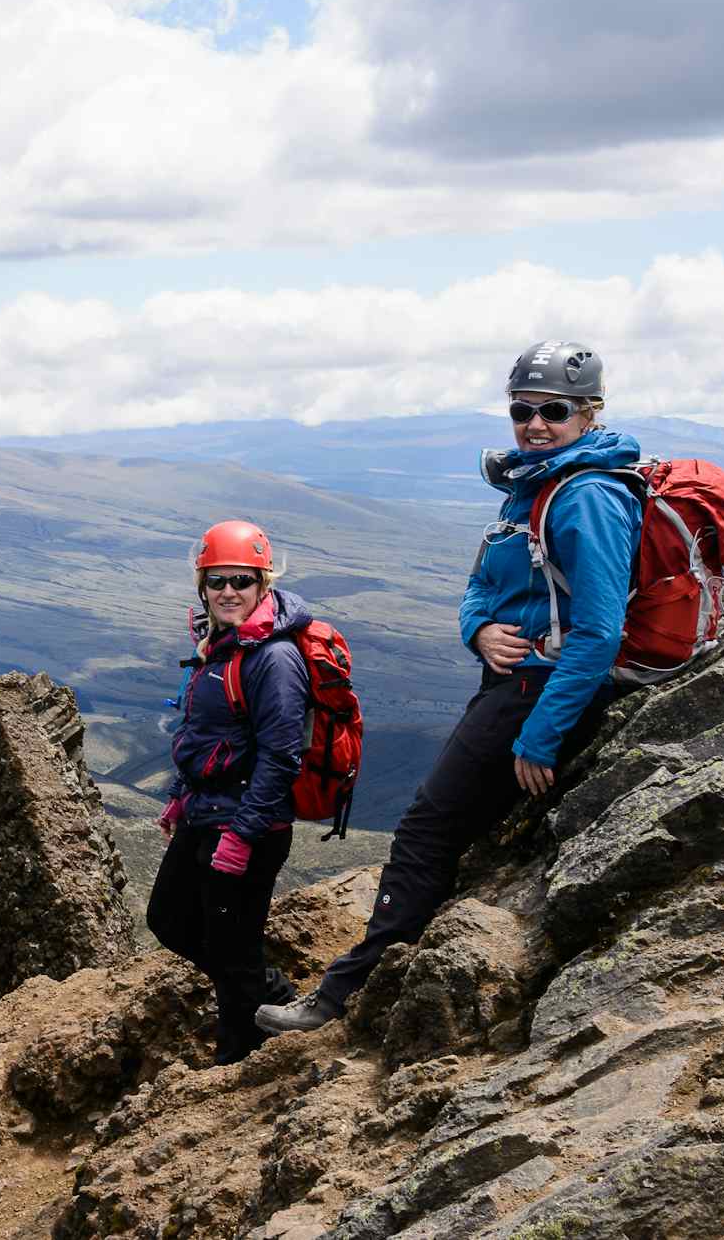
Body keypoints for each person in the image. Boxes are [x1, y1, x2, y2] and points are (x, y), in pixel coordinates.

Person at [258, 340, 640, 1036]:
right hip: (511, 677)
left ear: (590, 413)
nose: (534, 423)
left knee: (427, 829)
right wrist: (478, 632)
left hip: (539, 691)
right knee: (446, 825)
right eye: (522, 410)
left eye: (553, 410)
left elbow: (599, 632)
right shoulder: (535, 483)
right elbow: (480, 587)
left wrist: (542, 734)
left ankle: (341, 995)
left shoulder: (587, 496)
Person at [145, 521, 307, 1064]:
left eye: (241, 580)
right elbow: (205, 735)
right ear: (203, 588)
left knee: (231, 947)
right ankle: (270, 995)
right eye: (217, 582)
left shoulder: (274, 659)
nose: (229, 592)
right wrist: (179, 795)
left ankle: (238, 1059)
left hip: (247, 826)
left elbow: (282, 756)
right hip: (204, 811)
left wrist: (242, 835)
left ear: (263, 584)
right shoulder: (219, 645)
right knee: (169, 920)